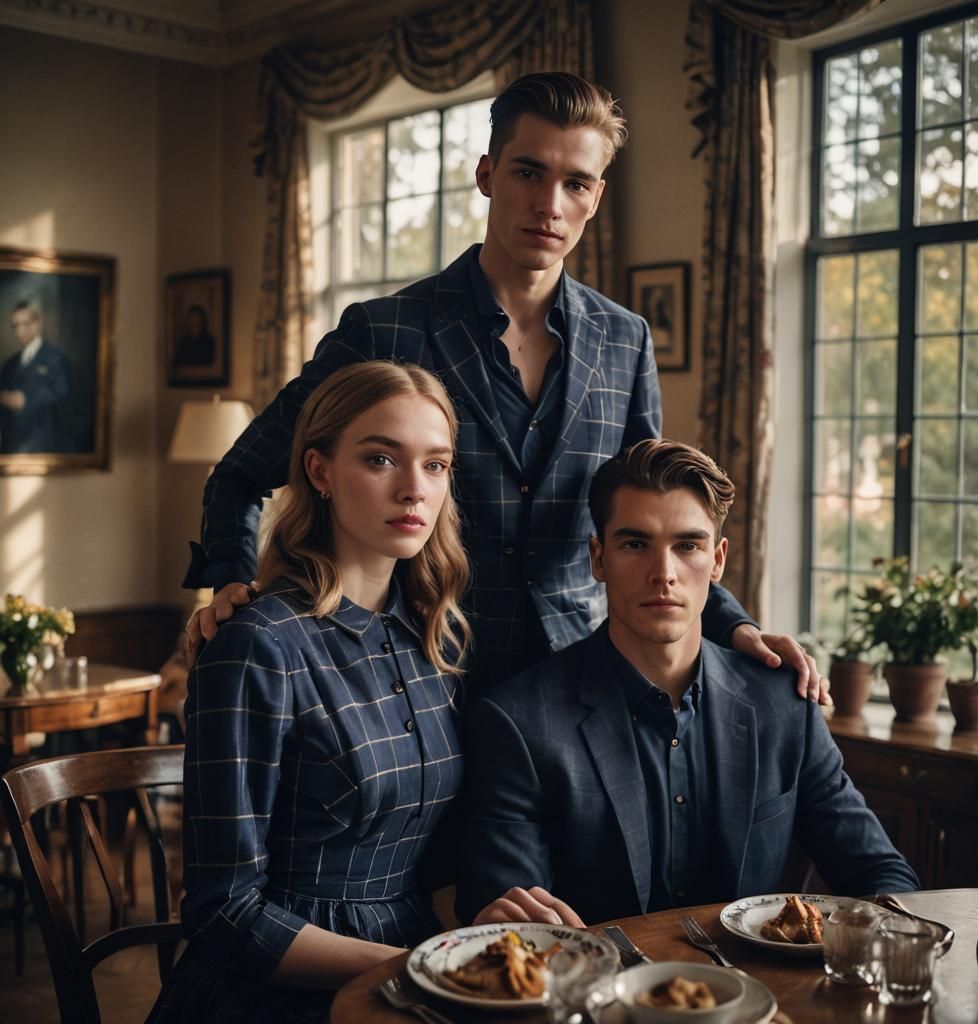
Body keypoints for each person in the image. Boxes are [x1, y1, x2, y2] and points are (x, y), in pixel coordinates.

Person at [183, 71, 825, 701]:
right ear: (488, 175)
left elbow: (653, 520)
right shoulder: (385, 330)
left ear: (596, 197)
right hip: (414, 681)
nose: (549, 204)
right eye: (528, 172)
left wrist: (734, 625)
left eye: (574, 183)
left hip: (575, 688)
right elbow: (238, 476)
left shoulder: (624, 340)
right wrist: (233, 582)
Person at [456, 440, 918, 929]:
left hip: (767, 999)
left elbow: (881, 873)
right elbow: (510, 926)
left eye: (688, 545)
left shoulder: (784, 704)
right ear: (598, 558)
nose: (664, 574)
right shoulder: (519, 724)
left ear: (717, 561)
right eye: (635, 544)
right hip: (597, 994)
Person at [147, 361, 471, 1022]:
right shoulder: (258, 645)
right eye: (382, 459)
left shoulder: (434, 635)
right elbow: (222, 911)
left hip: (413, 970)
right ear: (319, 471)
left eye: (435, 465)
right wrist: (409, 967)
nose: (415, 489)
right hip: (274, 989)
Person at [0, 299, 71, 454]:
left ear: (37, 324)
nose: (19, 331)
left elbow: (62, 398)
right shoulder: (9, 364)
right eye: (15, 326)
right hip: (10, 448)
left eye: (25, 324)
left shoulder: (55, 358)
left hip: (41, 447)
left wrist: (25, 400)